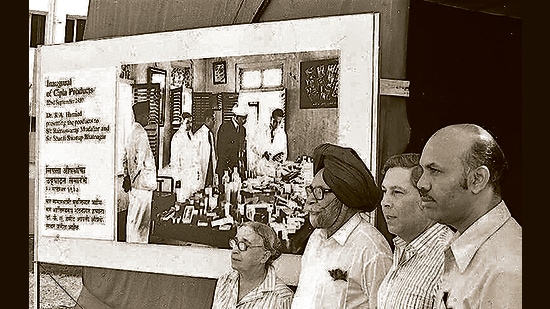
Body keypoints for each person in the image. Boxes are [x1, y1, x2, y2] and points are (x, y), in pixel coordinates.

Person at [416, 123, 521, 309]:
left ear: (477, 179)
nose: (421, 184)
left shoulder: (508, 269)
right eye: (422, 170)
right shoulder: (470, 246)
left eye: (435, 171)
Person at [291, 143, 393, 309]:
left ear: (343, 199)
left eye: (319, 193)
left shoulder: (372, 250)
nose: (309, 201)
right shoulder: (317, 237)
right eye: (310, 190)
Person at [377, 153, 454, 309]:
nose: (385, 202)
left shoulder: (447, 259)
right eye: (384, 191)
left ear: (425, 197)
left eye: (397, 192)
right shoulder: (403, 246)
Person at [212, 221, 294, 309]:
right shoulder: (224, 281)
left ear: (264, 256)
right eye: (235, 242)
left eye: (244, 245)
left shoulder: (282, 298)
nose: (235, 250)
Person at [122, 101, 157, 243]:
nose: (148, 118)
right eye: (147, 115)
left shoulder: (130, 132)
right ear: (141, 116)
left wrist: (126, 176)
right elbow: (140, 161)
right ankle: (140, 248)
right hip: (143, 185)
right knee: (142, 223)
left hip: (135, 186)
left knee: (132, 219)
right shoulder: (141, 133)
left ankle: (131, 245)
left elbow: (124, 158)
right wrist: (131, 177)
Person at [165, 112, 201, 202]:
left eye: (191, 122)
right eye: (188, 122)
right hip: (183, 178)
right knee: (182, 201)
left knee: (192, 200)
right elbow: (174, 161)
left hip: (191, 176)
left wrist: (197, 172)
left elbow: (195, 155)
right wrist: (177, 179)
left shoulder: (191, 136)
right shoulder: (177, 138)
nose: (190, 125)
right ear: (181, 122)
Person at [216, 104, 248, 179]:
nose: (245, 121)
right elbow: (221, 149)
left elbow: (241, 148)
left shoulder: (243, 130)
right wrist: (227, 166)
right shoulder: (225, 127)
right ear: (236, 117)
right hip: (225, 167)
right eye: (243, 118)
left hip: (236, 168)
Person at [194, 108, 217, 188]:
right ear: (207, 119)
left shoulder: (210, 134)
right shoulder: (198, 135)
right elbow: (194, 156)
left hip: (210, 168)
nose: (214, 122)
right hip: (202, 169)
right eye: (213, 119)